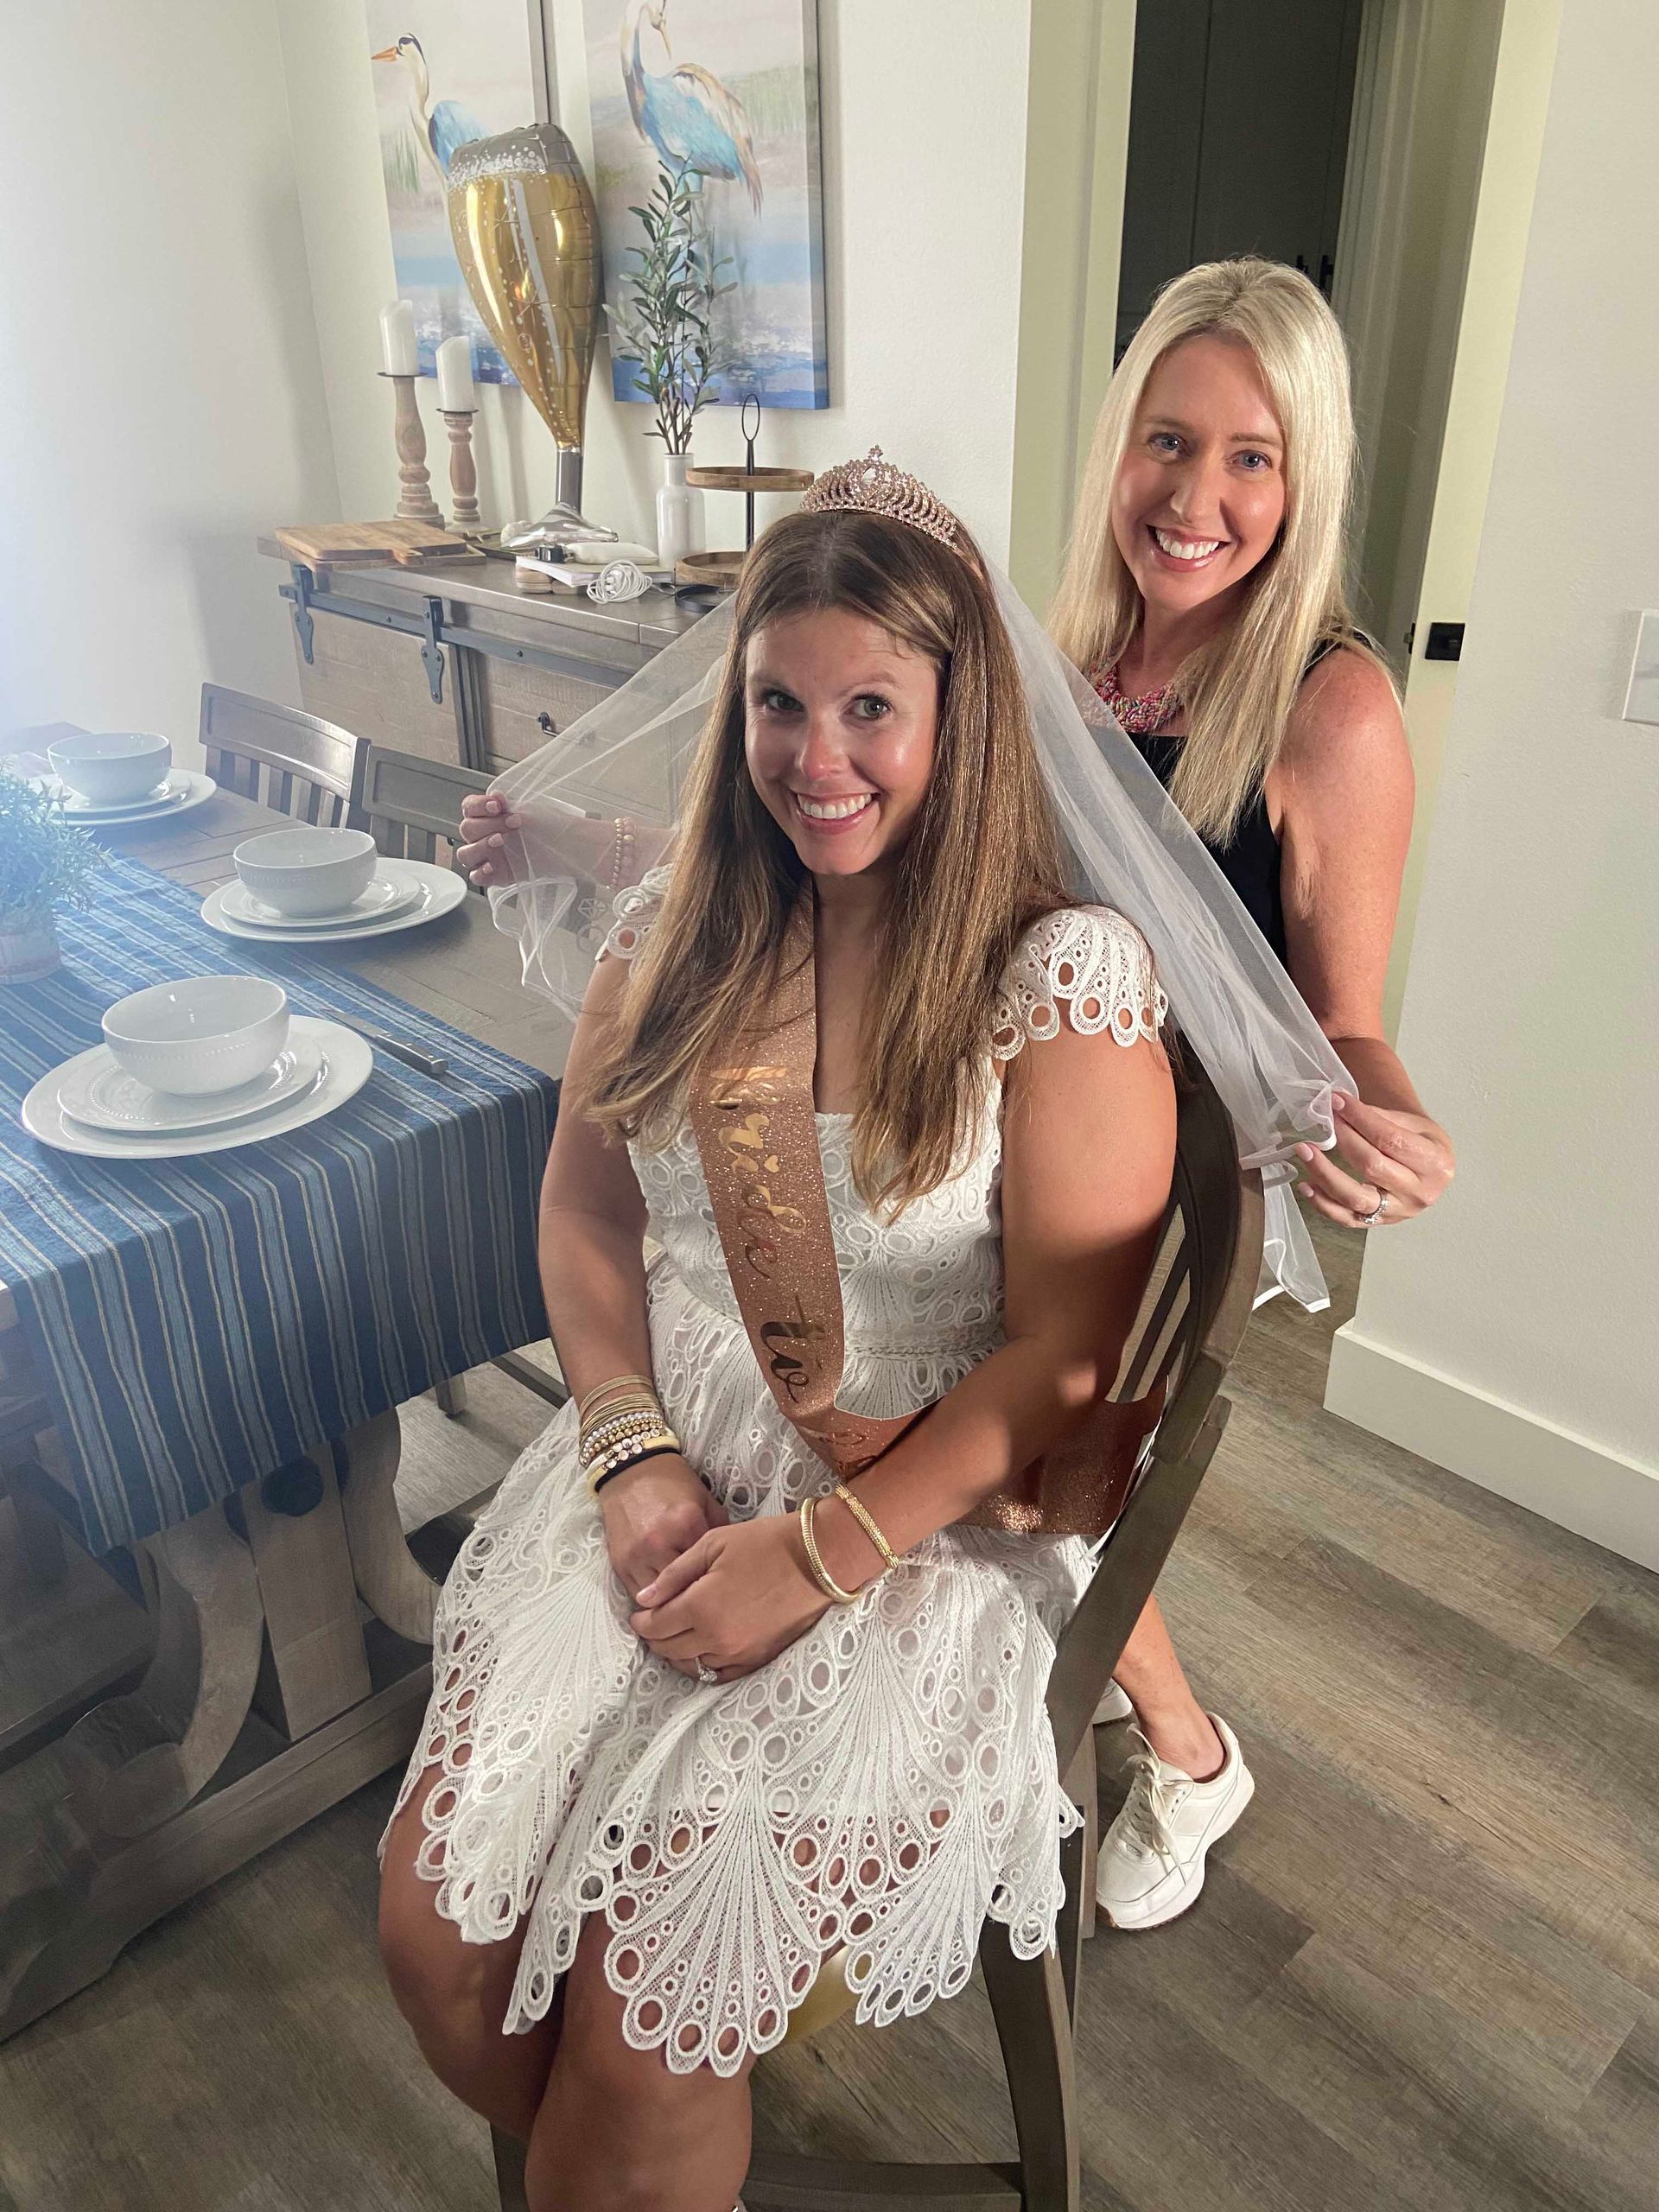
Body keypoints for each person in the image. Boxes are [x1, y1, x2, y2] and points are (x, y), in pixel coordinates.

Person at [380, 460, 1180, 2212]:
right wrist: (626, 1443)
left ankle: (642, 2142)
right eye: (780, 704)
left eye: (872, 707)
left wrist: (813, 1551)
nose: (820, 757)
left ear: (958, 716)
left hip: (918, 1509)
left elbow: (1060, 1359)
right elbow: (588, 1219)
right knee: (433, 1938)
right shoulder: (676, 930)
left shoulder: (1061, 977)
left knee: (642, 2028)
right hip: (656, 1449)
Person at [1046, 257, 1456, 1931]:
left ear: (1307, 479)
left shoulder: (1331, 704)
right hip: (1021, 1146)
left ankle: (1191, 1749)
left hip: (1171, 1188)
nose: (1195, 496)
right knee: (943, 1439)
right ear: (1117, 448)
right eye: (1168, 439)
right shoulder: (1072, 654)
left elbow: (1344, 1021)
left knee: (1030, 1468)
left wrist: (1392, 1130)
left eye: (1251, 456)